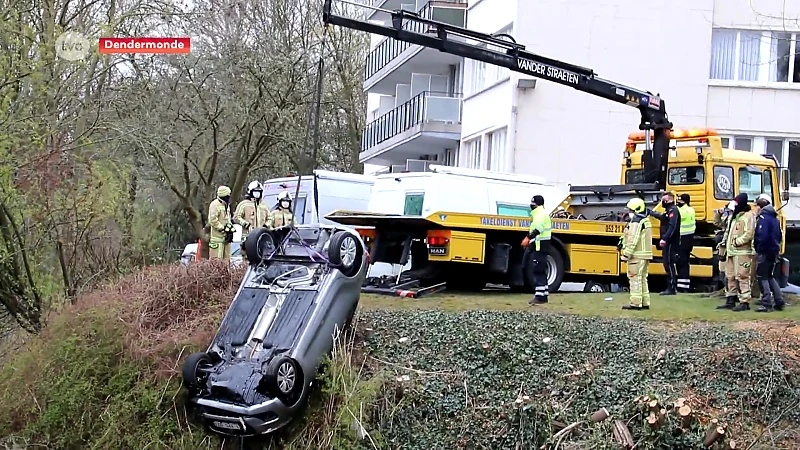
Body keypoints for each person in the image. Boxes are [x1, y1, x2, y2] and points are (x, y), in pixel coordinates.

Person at [717, 193, 756, 311]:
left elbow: (749, 233)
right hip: (731, 252)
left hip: (742, 252)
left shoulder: (749, 216)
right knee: (730, 276)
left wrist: (737, 241)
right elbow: (724, 228)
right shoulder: (734, 216)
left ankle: (745, 302)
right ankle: (730, 299)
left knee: (742, 276)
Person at [753, 194, 786, 312]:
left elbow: (762, 236)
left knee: (762, 277)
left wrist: (758, 247)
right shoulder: (775, 219)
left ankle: (766, 303)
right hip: (774, 251)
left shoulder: (763, 219)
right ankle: (779, 300)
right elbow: (780, 236)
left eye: (756, 206)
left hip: (764, 252)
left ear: (760, 207)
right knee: (770, 276)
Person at [619, 198, 653, 310]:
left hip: (637, 255)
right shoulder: (646, 220)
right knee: (643, 278)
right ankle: (645, 302)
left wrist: (626, 255)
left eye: (630, 210)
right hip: (645, 254)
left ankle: (635, 303)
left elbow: (633, 239)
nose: (628, 212)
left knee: (634, 278)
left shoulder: (636, 221)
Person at [647, 191, 681, 295]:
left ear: (669, 200)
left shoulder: (673, 210)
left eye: (664, 200)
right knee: (667, 263)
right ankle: (670, 287)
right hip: (668, 241)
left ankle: (671, 288)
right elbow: (663, 217)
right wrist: (650, 212)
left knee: (669, 263)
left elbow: (672, 226)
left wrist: (665, 238)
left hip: (671, 241)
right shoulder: (668, 211)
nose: (663, 202)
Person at [522, 194, 552, 305]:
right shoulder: (541, 213)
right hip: (541, 245)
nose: (531, 205)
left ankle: (539, 297)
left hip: (540, 246)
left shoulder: (540, 214)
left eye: (533, 203)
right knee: (541, 270)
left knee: (538, 270)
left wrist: (527, 238)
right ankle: (543, 295)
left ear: (537, 204)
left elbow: (538, 229)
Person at [714, 200, 737, 297]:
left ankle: (731, 293)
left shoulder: (736, 220)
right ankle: (727, 290)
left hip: (730, 248)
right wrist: (718, 214)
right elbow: (718, 223)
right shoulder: (728, 218)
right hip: (724, 248)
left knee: (729, 272)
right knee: (722, 271)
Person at [208, 185, 235, 260]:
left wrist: (230, 230)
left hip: (226, 239)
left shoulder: (226, 205)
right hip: (217, 240)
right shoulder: (214, 204)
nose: (229, 198)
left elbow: (228, 219)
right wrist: (223, 228)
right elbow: (212, 220)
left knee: (227, 261)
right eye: (227, 196)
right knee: (216, 262)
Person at [676, 193, 696, 293]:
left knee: (681, 263)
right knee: (685, 263)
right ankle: (684, 285)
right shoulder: (691, 210)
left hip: (682, 239)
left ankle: (681, 287)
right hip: (689, 239)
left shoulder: (680, 210)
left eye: (680, 201)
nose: (678, 202)